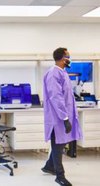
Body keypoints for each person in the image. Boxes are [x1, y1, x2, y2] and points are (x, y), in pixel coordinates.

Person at [42, 47, 82, 186]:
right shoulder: (54, 73)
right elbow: (56, 97)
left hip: (64, 115)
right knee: (58, 144)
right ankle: (60, 176)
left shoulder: (62, 72)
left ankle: (49, 166)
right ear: (62, 58)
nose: (69, 58)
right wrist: (65, 119)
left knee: (60, 143)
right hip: (57, 118)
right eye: (68, 55)